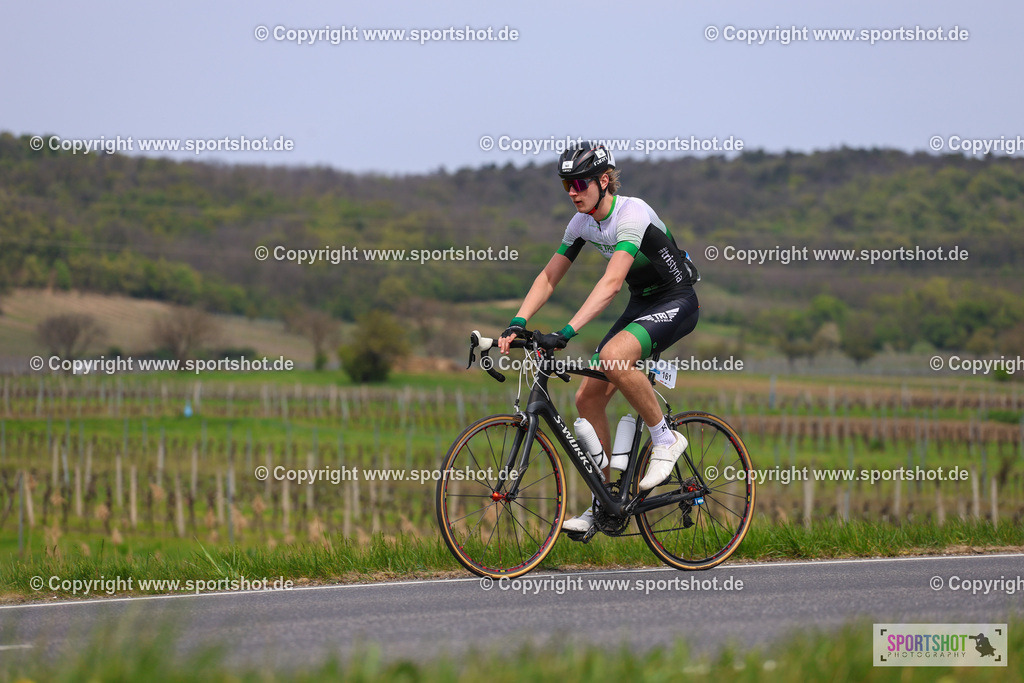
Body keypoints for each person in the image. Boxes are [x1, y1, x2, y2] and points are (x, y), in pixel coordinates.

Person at [497, 141, 700, 534]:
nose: (573, 191)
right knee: (586, 396)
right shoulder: (581, 224)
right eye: (566, 185)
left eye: (580, 183)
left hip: (678, 300)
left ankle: (665, 439)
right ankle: (608, 500)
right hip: (641, 303)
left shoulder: (632, 213)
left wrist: (567, 331)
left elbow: (610, 284)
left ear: (604, 181)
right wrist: (517, 321)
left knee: (614, 356)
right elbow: (549, 276)